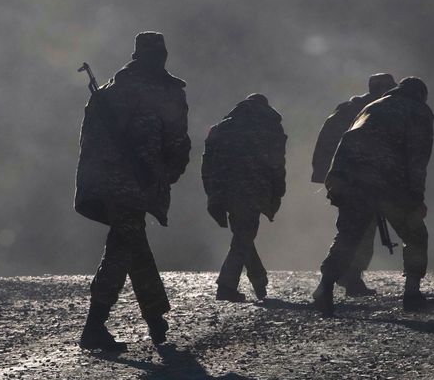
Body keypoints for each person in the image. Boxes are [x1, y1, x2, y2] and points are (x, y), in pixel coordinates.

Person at [75, 31, 191, 351]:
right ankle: (94, 325)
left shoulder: (111, 90)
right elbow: (178, 141)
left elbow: (89, 140)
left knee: (132, 240)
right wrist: (169, 173)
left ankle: (155, 317)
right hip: (136, 183)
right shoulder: (166, 91)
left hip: (107, 183)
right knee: (122, 246)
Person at [312, 77, 434, 316]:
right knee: (416, 235)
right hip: (389, 182)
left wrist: (335, 180)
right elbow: (417, 158)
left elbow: (345, 141)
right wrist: (417, 197)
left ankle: (324, 288)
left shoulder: (373, 106)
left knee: (348, 236)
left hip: (351, 179)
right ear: (421, 95)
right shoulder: (418, 111)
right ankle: (412, 295)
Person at [311, 73, 397, 296]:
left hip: (343, 178)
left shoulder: (347, 110)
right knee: (362, 229)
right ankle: (348, 276)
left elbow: (325, 143)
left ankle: (347, 276)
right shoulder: (377, 111)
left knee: (352, 226)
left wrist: (324, 175)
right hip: (363, 179)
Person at [202, 94, 287, 302]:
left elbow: (207, 164)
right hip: (253, 191)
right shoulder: (269, 129)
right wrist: (277, 193)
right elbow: (277, 165)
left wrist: (212, 193)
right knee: (244, 235)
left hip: (225, 190)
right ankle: (226, 285)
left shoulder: (221, 128)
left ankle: (259, 280)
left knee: (243, 235)